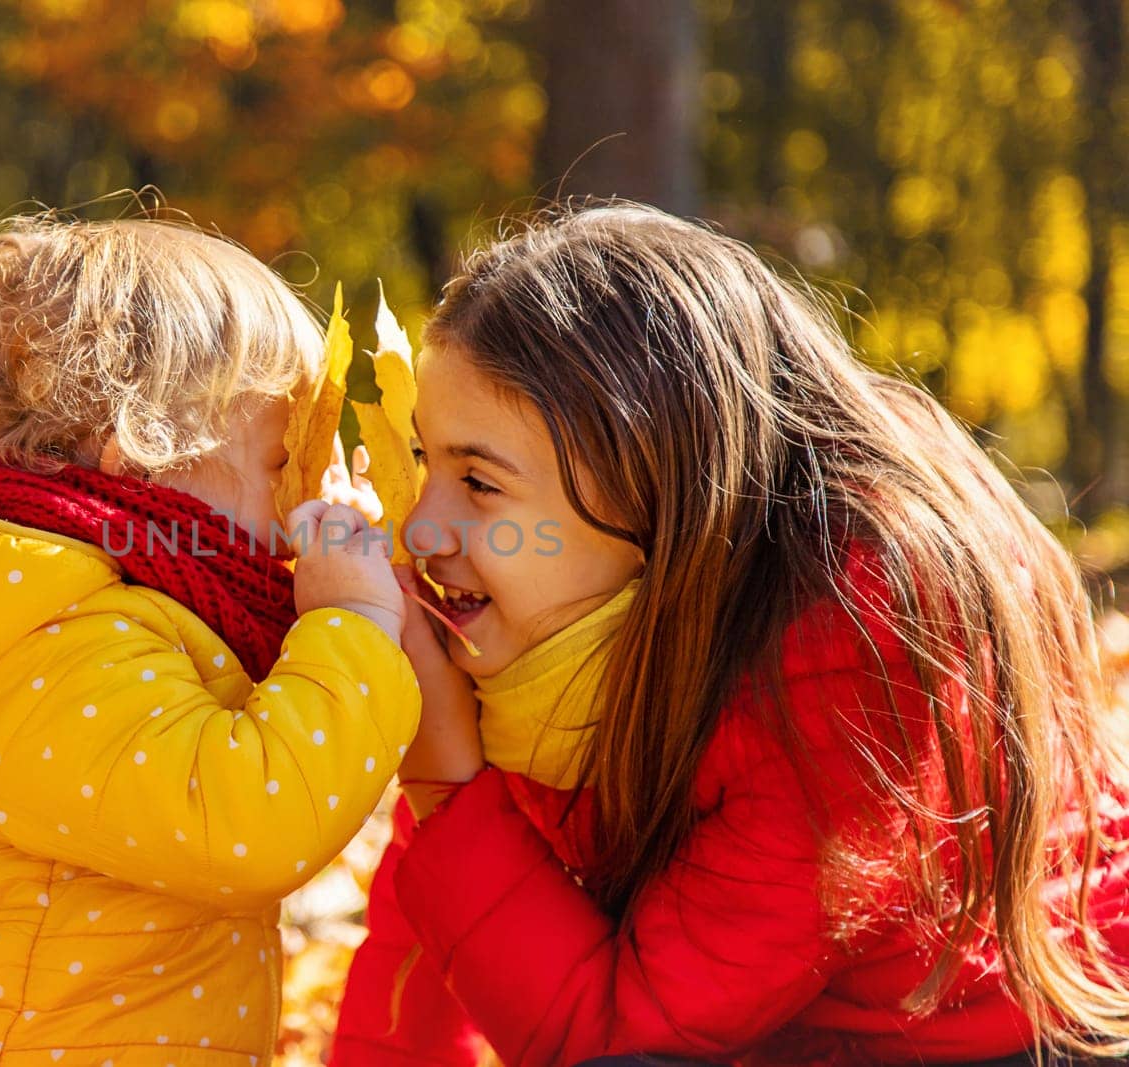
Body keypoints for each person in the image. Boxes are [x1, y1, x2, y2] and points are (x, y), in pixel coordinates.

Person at [332, 202, 1129, 1066]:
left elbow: (617, 1041)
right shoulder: (548, 622)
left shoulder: (855, 647)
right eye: (425, 461)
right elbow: (420, 948)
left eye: (479, 483)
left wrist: (450, 785)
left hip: (1025, 1040)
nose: (422, 529)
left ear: (658, 488)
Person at [0, 212, 419, 1065]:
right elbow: (244, 820)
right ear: (143, 448)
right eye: (275, 462)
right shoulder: (56, 636)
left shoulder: (103, 612)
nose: (296, 501)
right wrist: (352, 626)